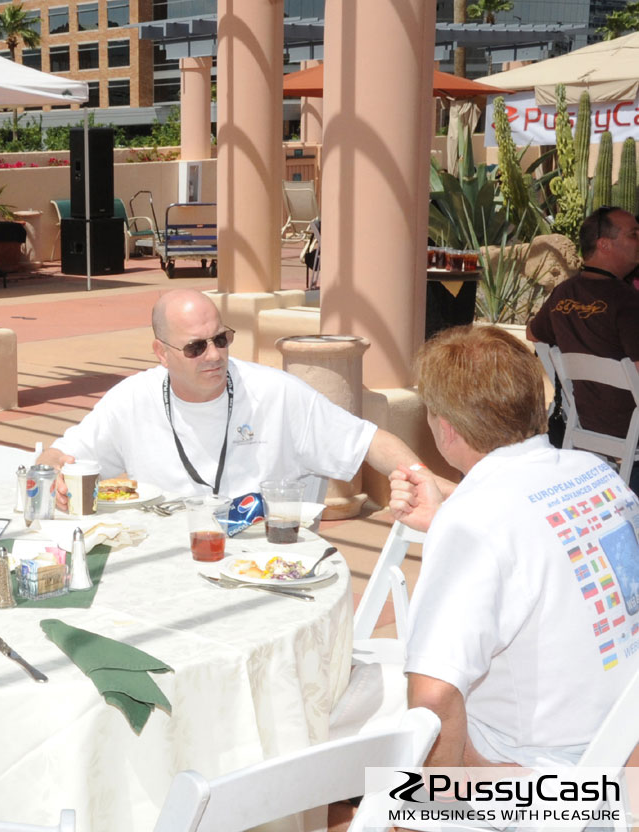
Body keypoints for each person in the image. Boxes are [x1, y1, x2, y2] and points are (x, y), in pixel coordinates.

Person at [390, 326, 638, 768]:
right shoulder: (596, 472)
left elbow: (434, 694)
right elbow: (542, 540)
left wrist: (428, 808)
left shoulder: (475, 520)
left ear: (446, 429)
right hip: (621, 742)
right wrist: (447, 518)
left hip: (537, 772)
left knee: (357, 742)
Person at [36, 289, 443, 504]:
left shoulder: (276, 394)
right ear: (161, 353)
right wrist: (50, 468)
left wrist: (429, 483)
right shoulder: (130, 400)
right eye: (196, 347)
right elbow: (63, 455)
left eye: (221, 339)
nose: (214, 356)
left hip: (264, 565)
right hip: (166, 563)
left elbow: (371, 442)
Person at [528, 205, 639, 487]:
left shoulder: (563, 292)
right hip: (628, 423)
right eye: (634, 234)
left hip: (586, 418)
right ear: (604, 244)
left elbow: (533, 333)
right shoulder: (626, 301)